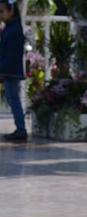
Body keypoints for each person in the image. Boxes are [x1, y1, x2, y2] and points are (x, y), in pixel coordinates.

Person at [0, 0, 27, 142]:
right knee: (12, 98)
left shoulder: (14, 29)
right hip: (9, 70)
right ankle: (20, 128)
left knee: (13, 99)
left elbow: (11, 54)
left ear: (11, 11)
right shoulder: (10, 27)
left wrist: (3, 71)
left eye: (2, 11)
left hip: (11, 71)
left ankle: (21, 130)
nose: (1, 15)